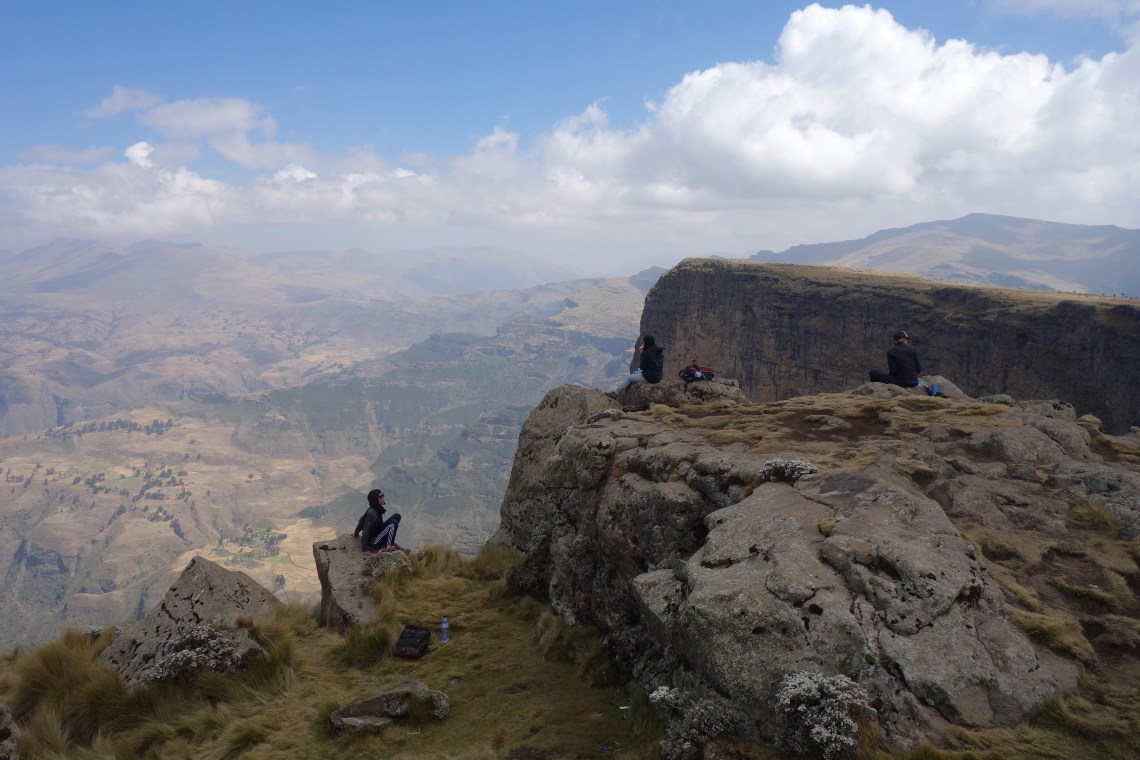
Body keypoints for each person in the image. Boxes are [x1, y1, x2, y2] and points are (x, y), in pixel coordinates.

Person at [607, 335, 665, 399]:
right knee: (635, 373)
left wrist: (642, 353)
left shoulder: (647, 353)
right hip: (658, 376)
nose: (643, 343)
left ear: (646, 342)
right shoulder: (657, 351)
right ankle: (619, 390)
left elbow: (642, 367)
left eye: (644, 342)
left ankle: (616, 393)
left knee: (629, 378)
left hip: (650, 377)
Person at [353, 488, 402, 555]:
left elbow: (361, 521)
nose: (383, 498)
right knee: (393, 524)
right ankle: (387, 549)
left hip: (378, 534)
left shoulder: (377, 509)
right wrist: (365, 549)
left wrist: (356, 534)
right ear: (375, 499)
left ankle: (389, 542)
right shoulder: (371, 513)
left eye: (383, 495)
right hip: (374, 542)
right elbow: (365, 531)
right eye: (380, 497)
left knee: (397, 516)